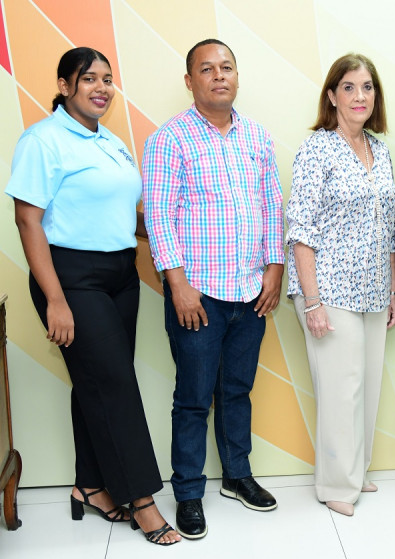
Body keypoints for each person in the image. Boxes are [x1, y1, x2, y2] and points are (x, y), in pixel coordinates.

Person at [5, 47, 180, 545]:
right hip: (70, 277)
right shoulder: (43, 140)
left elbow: (125, 216)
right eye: (89, 79)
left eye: (107, 79)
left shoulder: (110, 142)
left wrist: (173, 233)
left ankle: (89, 486)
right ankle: (143, 501)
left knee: (96, 384)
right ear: (64, 86)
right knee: (117, 385)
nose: (101, 87)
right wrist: (55, 299)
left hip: (120, 274)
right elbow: (28, 219)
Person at [142, 39, 284, 538]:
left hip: (251, 292)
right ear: (190, 81)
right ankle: (187, 492)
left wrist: (274, 268)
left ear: (237, 77)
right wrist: (177, 284)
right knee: (194, 398)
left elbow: (272, 207)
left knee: (237, 391)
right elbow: (158, 217)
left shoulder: (258, 138)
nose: (219, 76)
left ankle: (237, 477)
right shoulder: (170, 139)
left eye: (227, 67)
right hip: (197, 296)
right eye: (207, 69)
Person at [286, 53, 395, 517]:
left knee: (367, 384)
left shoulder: (381, 149)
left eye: (368, 87)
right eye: (349, 87)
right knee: (340, 387)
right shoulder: (317, 149)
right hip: (327, 289)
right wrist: (311, 302)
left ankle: (356, 470)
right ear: (332, 95)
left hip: (373, 287)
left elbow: (389, 228)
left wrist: (392, 291)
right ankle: (335, 484)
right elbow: (301, 229)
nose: (360, 96)